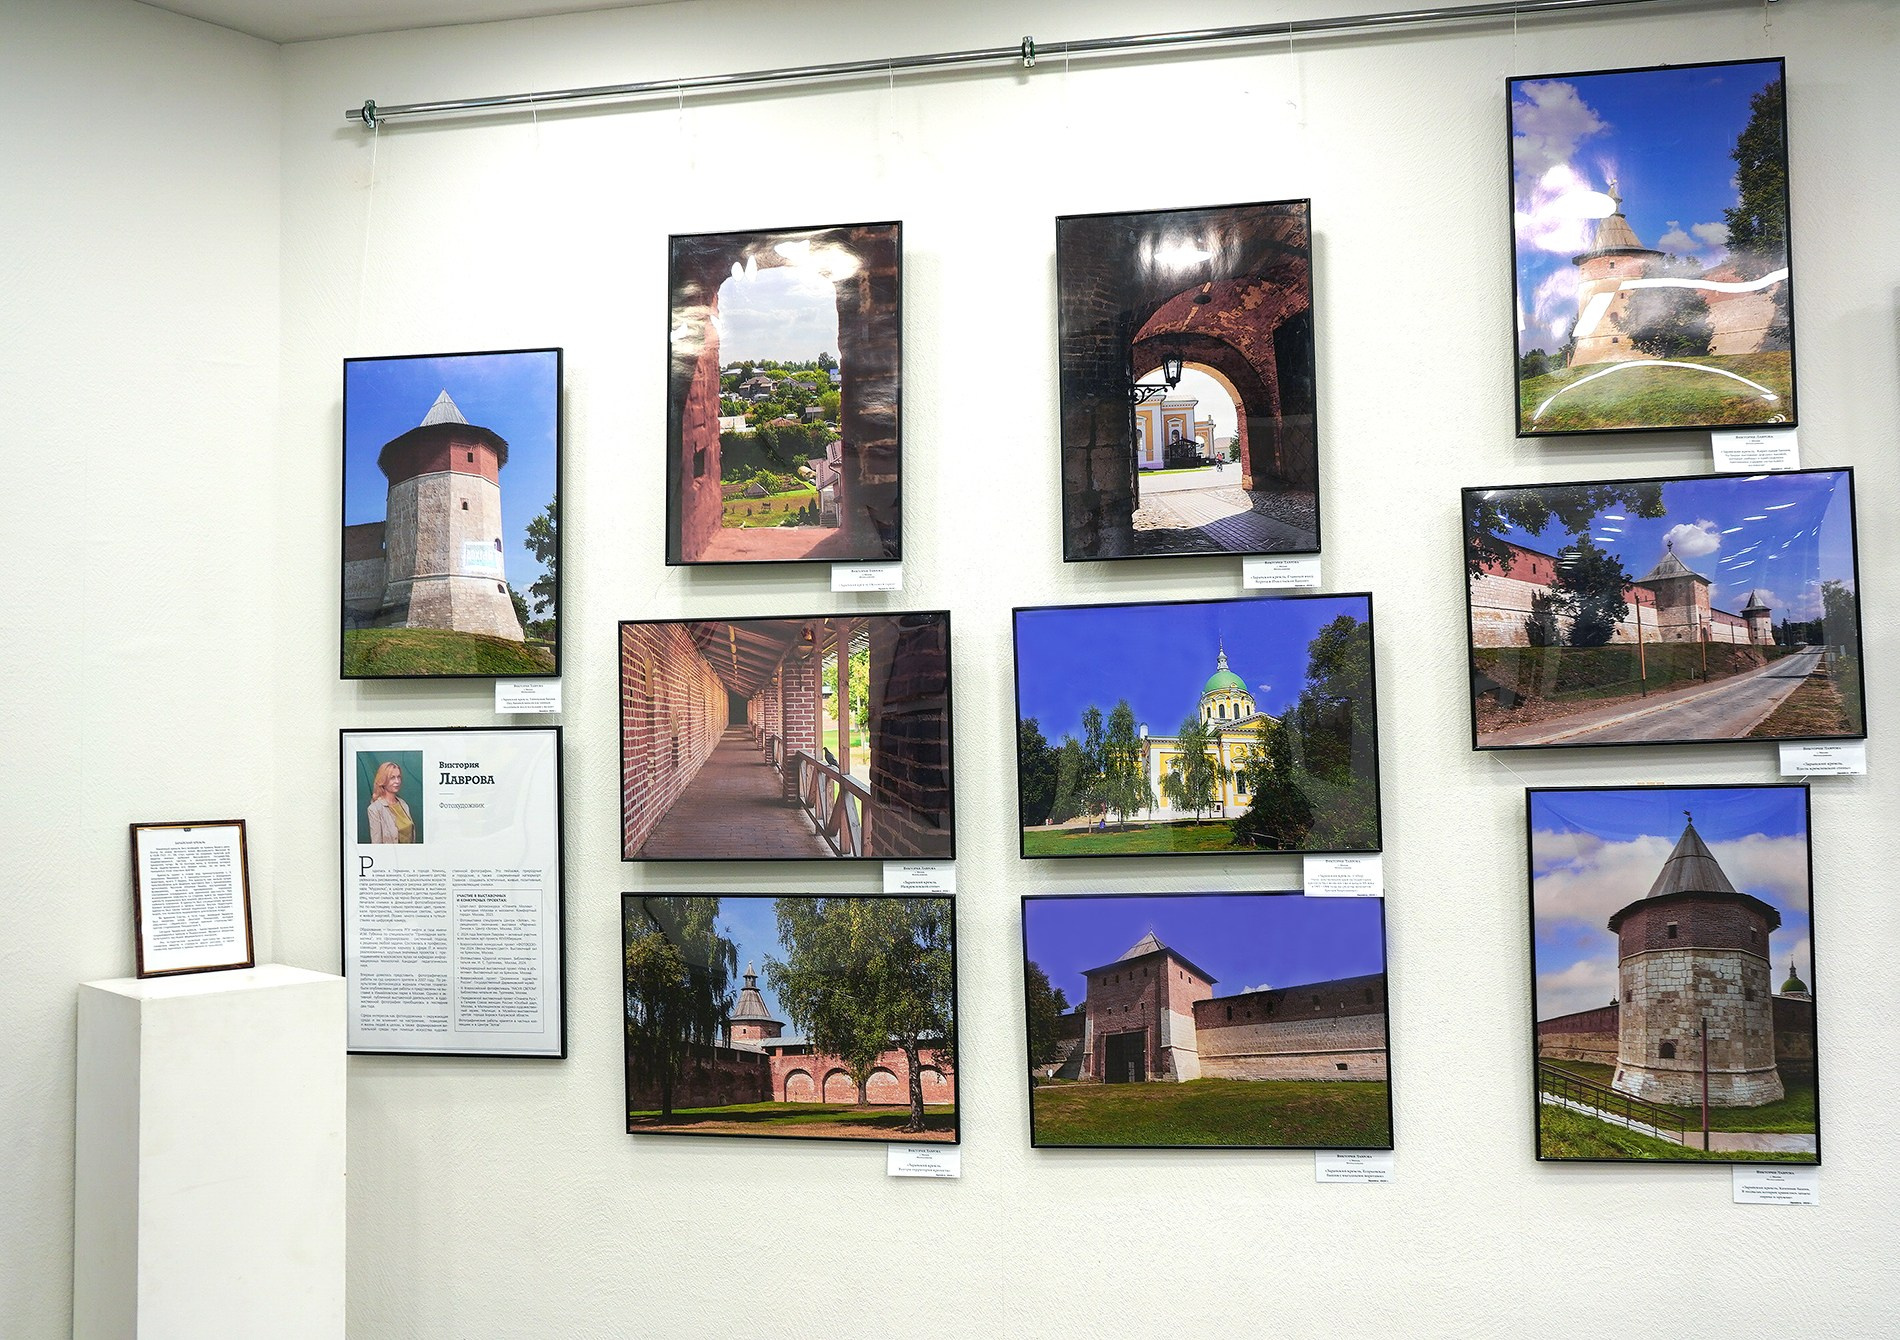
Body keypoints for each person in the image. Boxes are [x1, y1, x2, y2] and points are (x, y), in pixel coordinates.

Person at [366, 760, 416, 844]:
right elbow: (376, 844)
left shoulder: (403, 804)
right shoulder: (375, 809)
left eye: (399, 777)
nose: (397, 781)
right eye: (392, 777)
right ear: (383, 780)